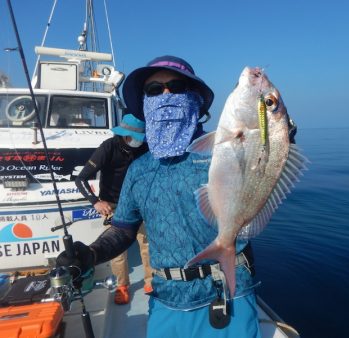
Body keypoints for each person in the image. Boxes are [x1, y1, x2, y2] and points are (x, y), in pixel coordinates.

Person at [59, 55, 261, 337]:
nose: (166, 96)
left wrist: (274, 138)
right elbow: (123, 229)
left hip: (228, 294)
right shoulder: (138, 170)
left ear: (196, 99)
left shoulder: (224, 151)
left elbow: (260, 164)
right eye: (154, 90)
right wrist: (91, 254)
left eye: (176, 86)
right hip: (166, 302)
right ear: (145, 104)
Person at [74, 113, 153, 305]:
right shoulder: (108, 147)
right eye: (136, 137)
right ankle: (122, 285)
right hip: (114, 205)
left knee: (147, 244)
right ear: (125, 135)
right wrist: (95, 201)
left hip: (141, 203)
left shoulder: (145, 147)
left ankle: (151, 282)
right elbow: (80, 178)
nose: (139, 141)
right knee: (117, 250)